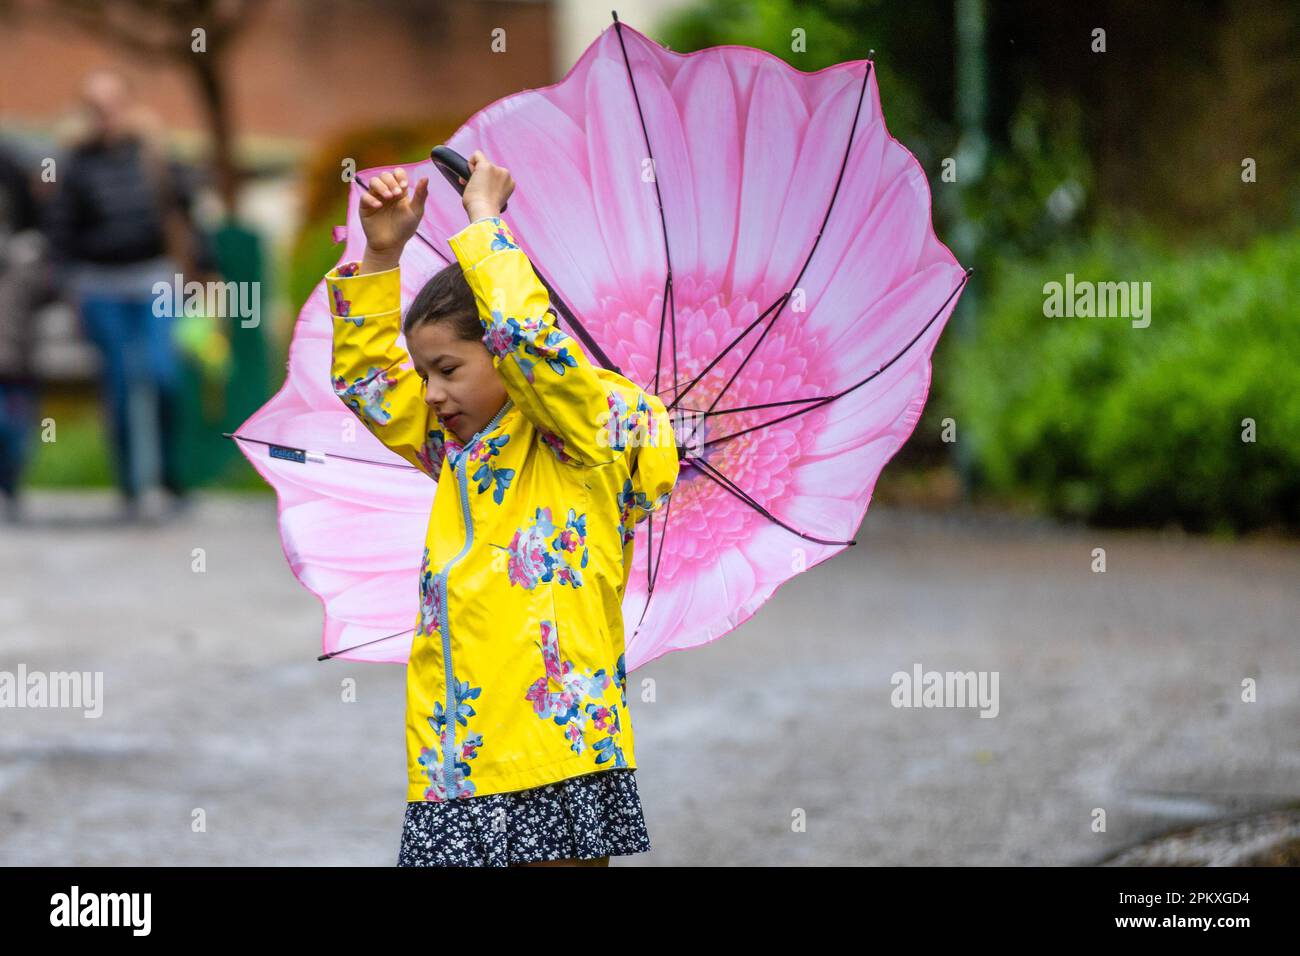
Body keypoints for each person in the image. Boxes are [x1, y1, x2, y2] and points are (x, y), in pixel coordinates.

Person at [328, 154, 679, 866]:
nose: (428, 394)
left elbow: (530, 344)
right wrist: (381, 251)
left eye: (447, 370)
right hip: (458, 753)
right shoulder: (459, 446)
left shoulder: (588, 429)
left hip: (557, 749)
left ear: (502, 356)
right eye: (423, 373)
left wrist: (486, 223)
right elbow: (366, 381)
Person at [42, 68, 211, 521]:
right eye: (95, 107)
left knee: (162, 375)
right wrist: (63, 284)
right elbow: (60, 232)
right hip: (100, 285)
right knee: (119, 383)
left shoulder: (155, 153)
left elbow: (186, 213)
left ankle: (171, 478)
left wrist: (206, 266)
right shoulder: (75, 164)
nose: (106, 115)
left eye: (112, 104)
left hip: (154, 278)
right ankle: (131, 486)